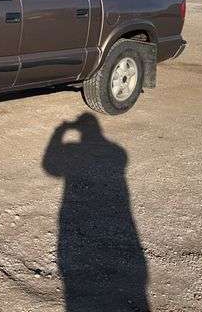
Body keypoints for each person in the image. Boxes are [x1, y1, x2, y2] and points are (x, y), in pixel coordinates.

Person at [42, 113, 150, 312]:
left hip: (75, 219)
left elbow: (50, 167)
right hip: (120, 220)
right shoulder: (118, 152)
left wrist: (59, 131)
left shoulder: (75, 149)